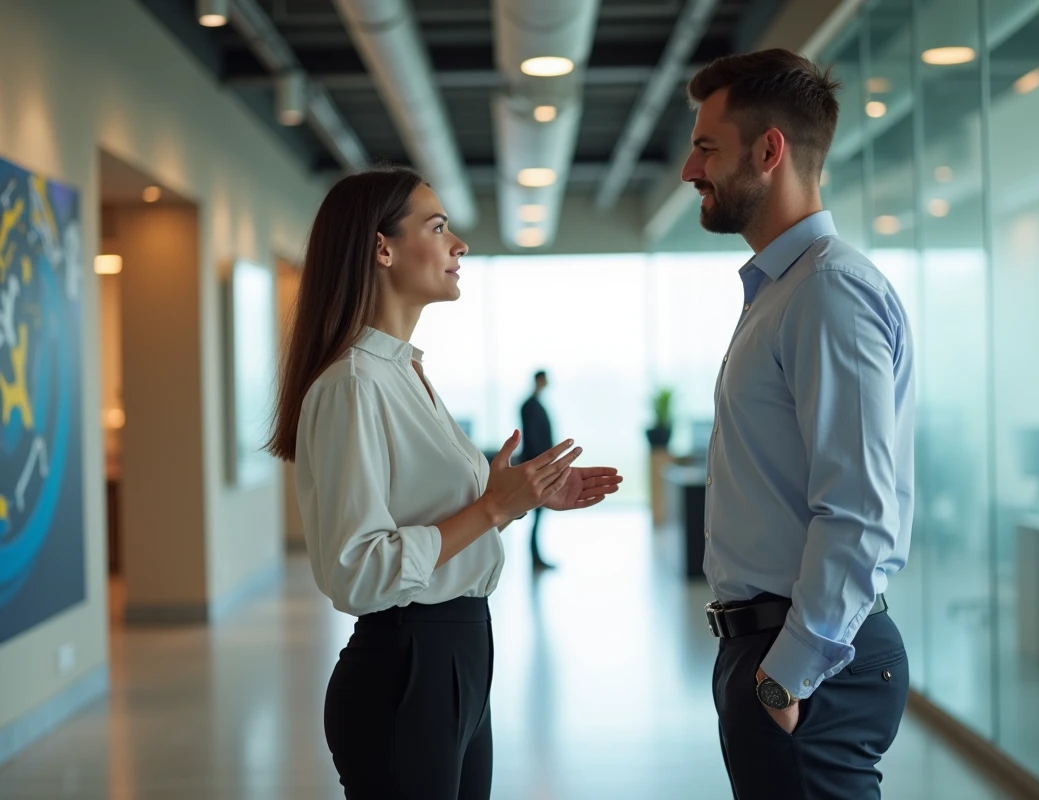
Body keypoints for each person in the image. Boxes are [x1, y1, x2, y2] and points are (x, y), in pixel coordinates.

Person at [265, 166, 623, 799]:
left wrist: (517, 499)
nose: (459, 245)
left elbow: (434, 516)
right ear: (382, 248)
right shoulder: (354, 384)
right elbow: (357, 570)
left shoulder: (405, 374)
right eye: (437, 227)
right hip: (407, 667)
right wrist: (489, 509)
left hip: (457, 656)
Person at [681, 49, 915, 799]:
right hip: (772, 650)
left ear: (769, 150)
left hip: (809, 663)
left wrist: (787, 677)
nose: (690, 170)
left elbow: (859, 511)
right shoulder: (782, 294)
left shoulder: (828, 294)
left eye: (706, 147)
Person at [519, 370, 555, 570]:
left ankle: (536, 556)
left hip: (540, 466)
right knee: (536, 514)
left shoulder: (534, 405)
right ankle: (535, 557)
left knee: (538, 515)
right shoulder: (530, 406)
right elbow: (533, 438)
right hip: (537, 467)